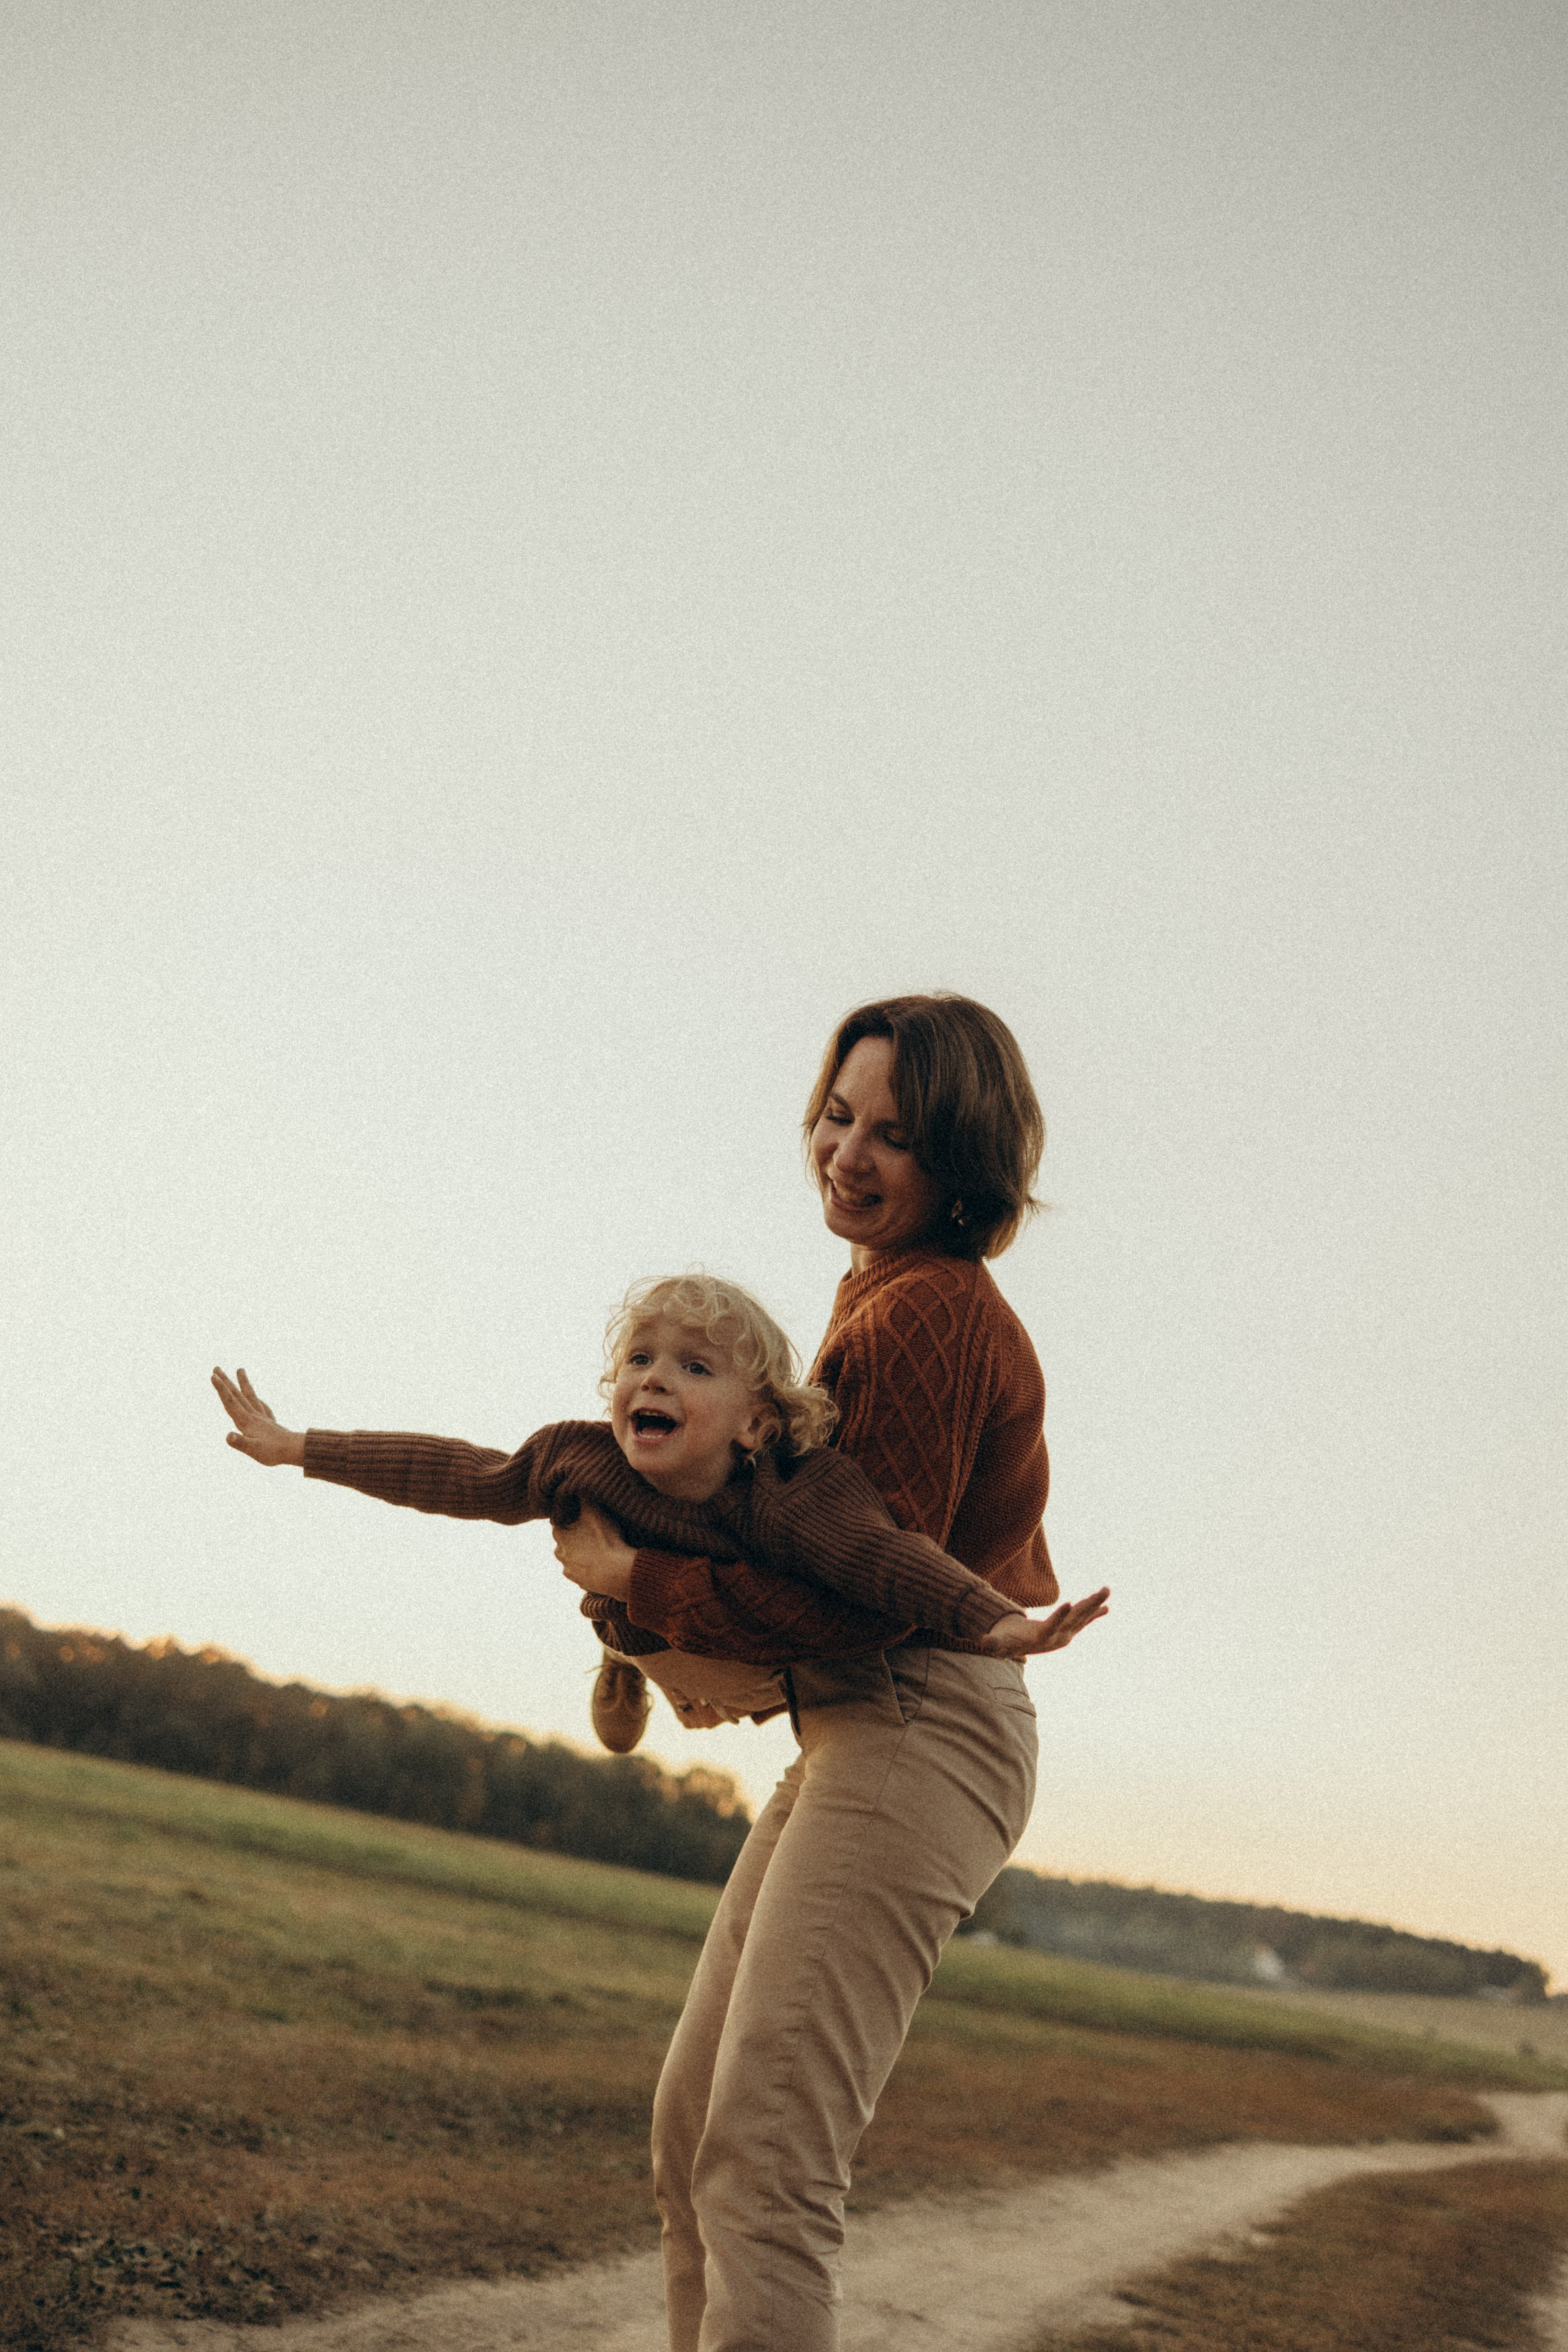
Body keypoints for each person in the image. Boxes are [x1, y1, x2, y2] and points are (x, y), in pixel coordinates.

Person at [552, 992, 1105, 2352]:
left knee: (763, 2159)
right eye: (835, 1115)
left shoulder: (923, 1312)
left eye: (895, 1137)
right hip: (866, 1727)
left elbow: (856, 1603)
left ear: (963, 1164)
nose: (846, 1153)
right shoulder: (881, 1294)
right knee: (695, 2134)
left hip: (921, 1725)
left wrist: (638, 1585)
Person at [209, 1275, 1101, 1728]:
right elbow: (459, 1473)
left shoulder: (792, 1500)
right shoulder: (580, 1460)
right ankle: (628, 1665)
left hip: (750, 1644)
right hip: (648, 1619)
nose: (655, 1379)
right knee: (610, 1603)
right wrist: (301, 1449)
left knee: (690, 1616)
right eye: (640, 1360)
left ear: (756, 1424)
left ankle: (675, 1669)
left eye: (694, 1367)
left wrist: (995, 1619)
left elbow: (886, 1557)